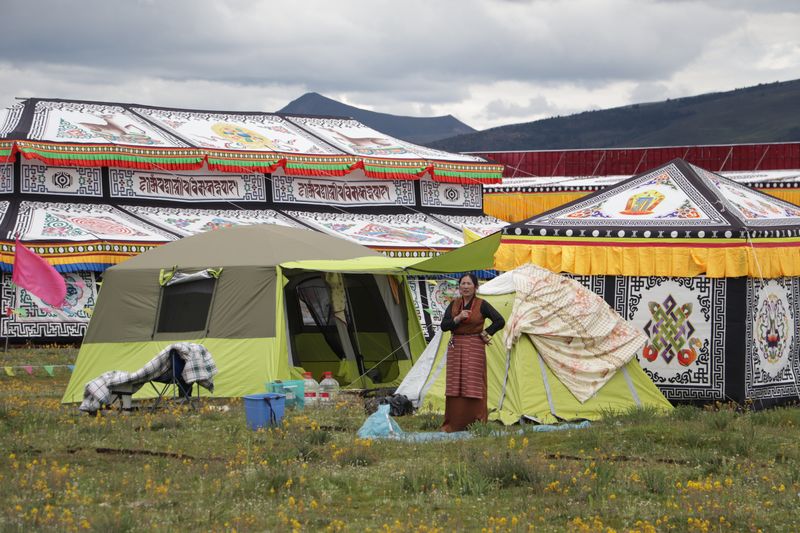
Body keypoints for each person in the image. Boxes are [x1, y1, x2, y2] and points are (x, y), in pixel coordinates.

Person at [439, 273, 505, 432]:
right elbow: (444, 326)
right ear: (459, 287)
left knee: (473, 383)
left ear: (475, 287)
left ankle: (476, 422)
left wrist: (487, 332)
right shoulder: (454, 305)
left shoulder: (482, 304)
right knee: (456, 384)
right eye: (463, 284)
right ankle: (454, 423)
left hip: (475, 346)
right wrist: (458, 318)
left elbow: (499, 321)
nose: (465, 287)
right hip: (456, 347)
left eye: (469, 284)